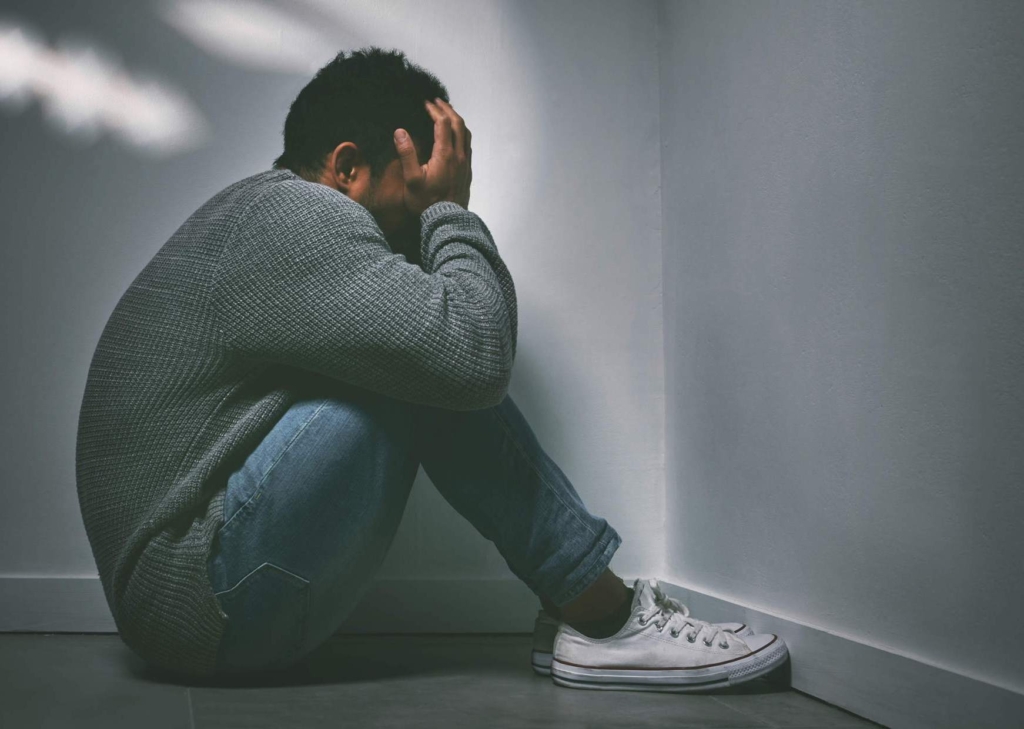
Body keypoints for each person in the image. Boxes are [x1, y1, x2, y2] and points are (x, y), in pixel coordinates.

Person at [75, 46, 787, 691]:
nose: (413, 226)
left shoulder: (260, 221)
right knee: (430, 362)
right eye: (406, 197)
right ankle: (605, 619)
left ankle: (588, 611)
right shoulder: (294, 216)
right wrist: (450, 208)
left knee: (420, 352)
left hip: (199, 601)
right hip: (200, 603)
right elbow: (470, 356)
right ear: (346, 168)